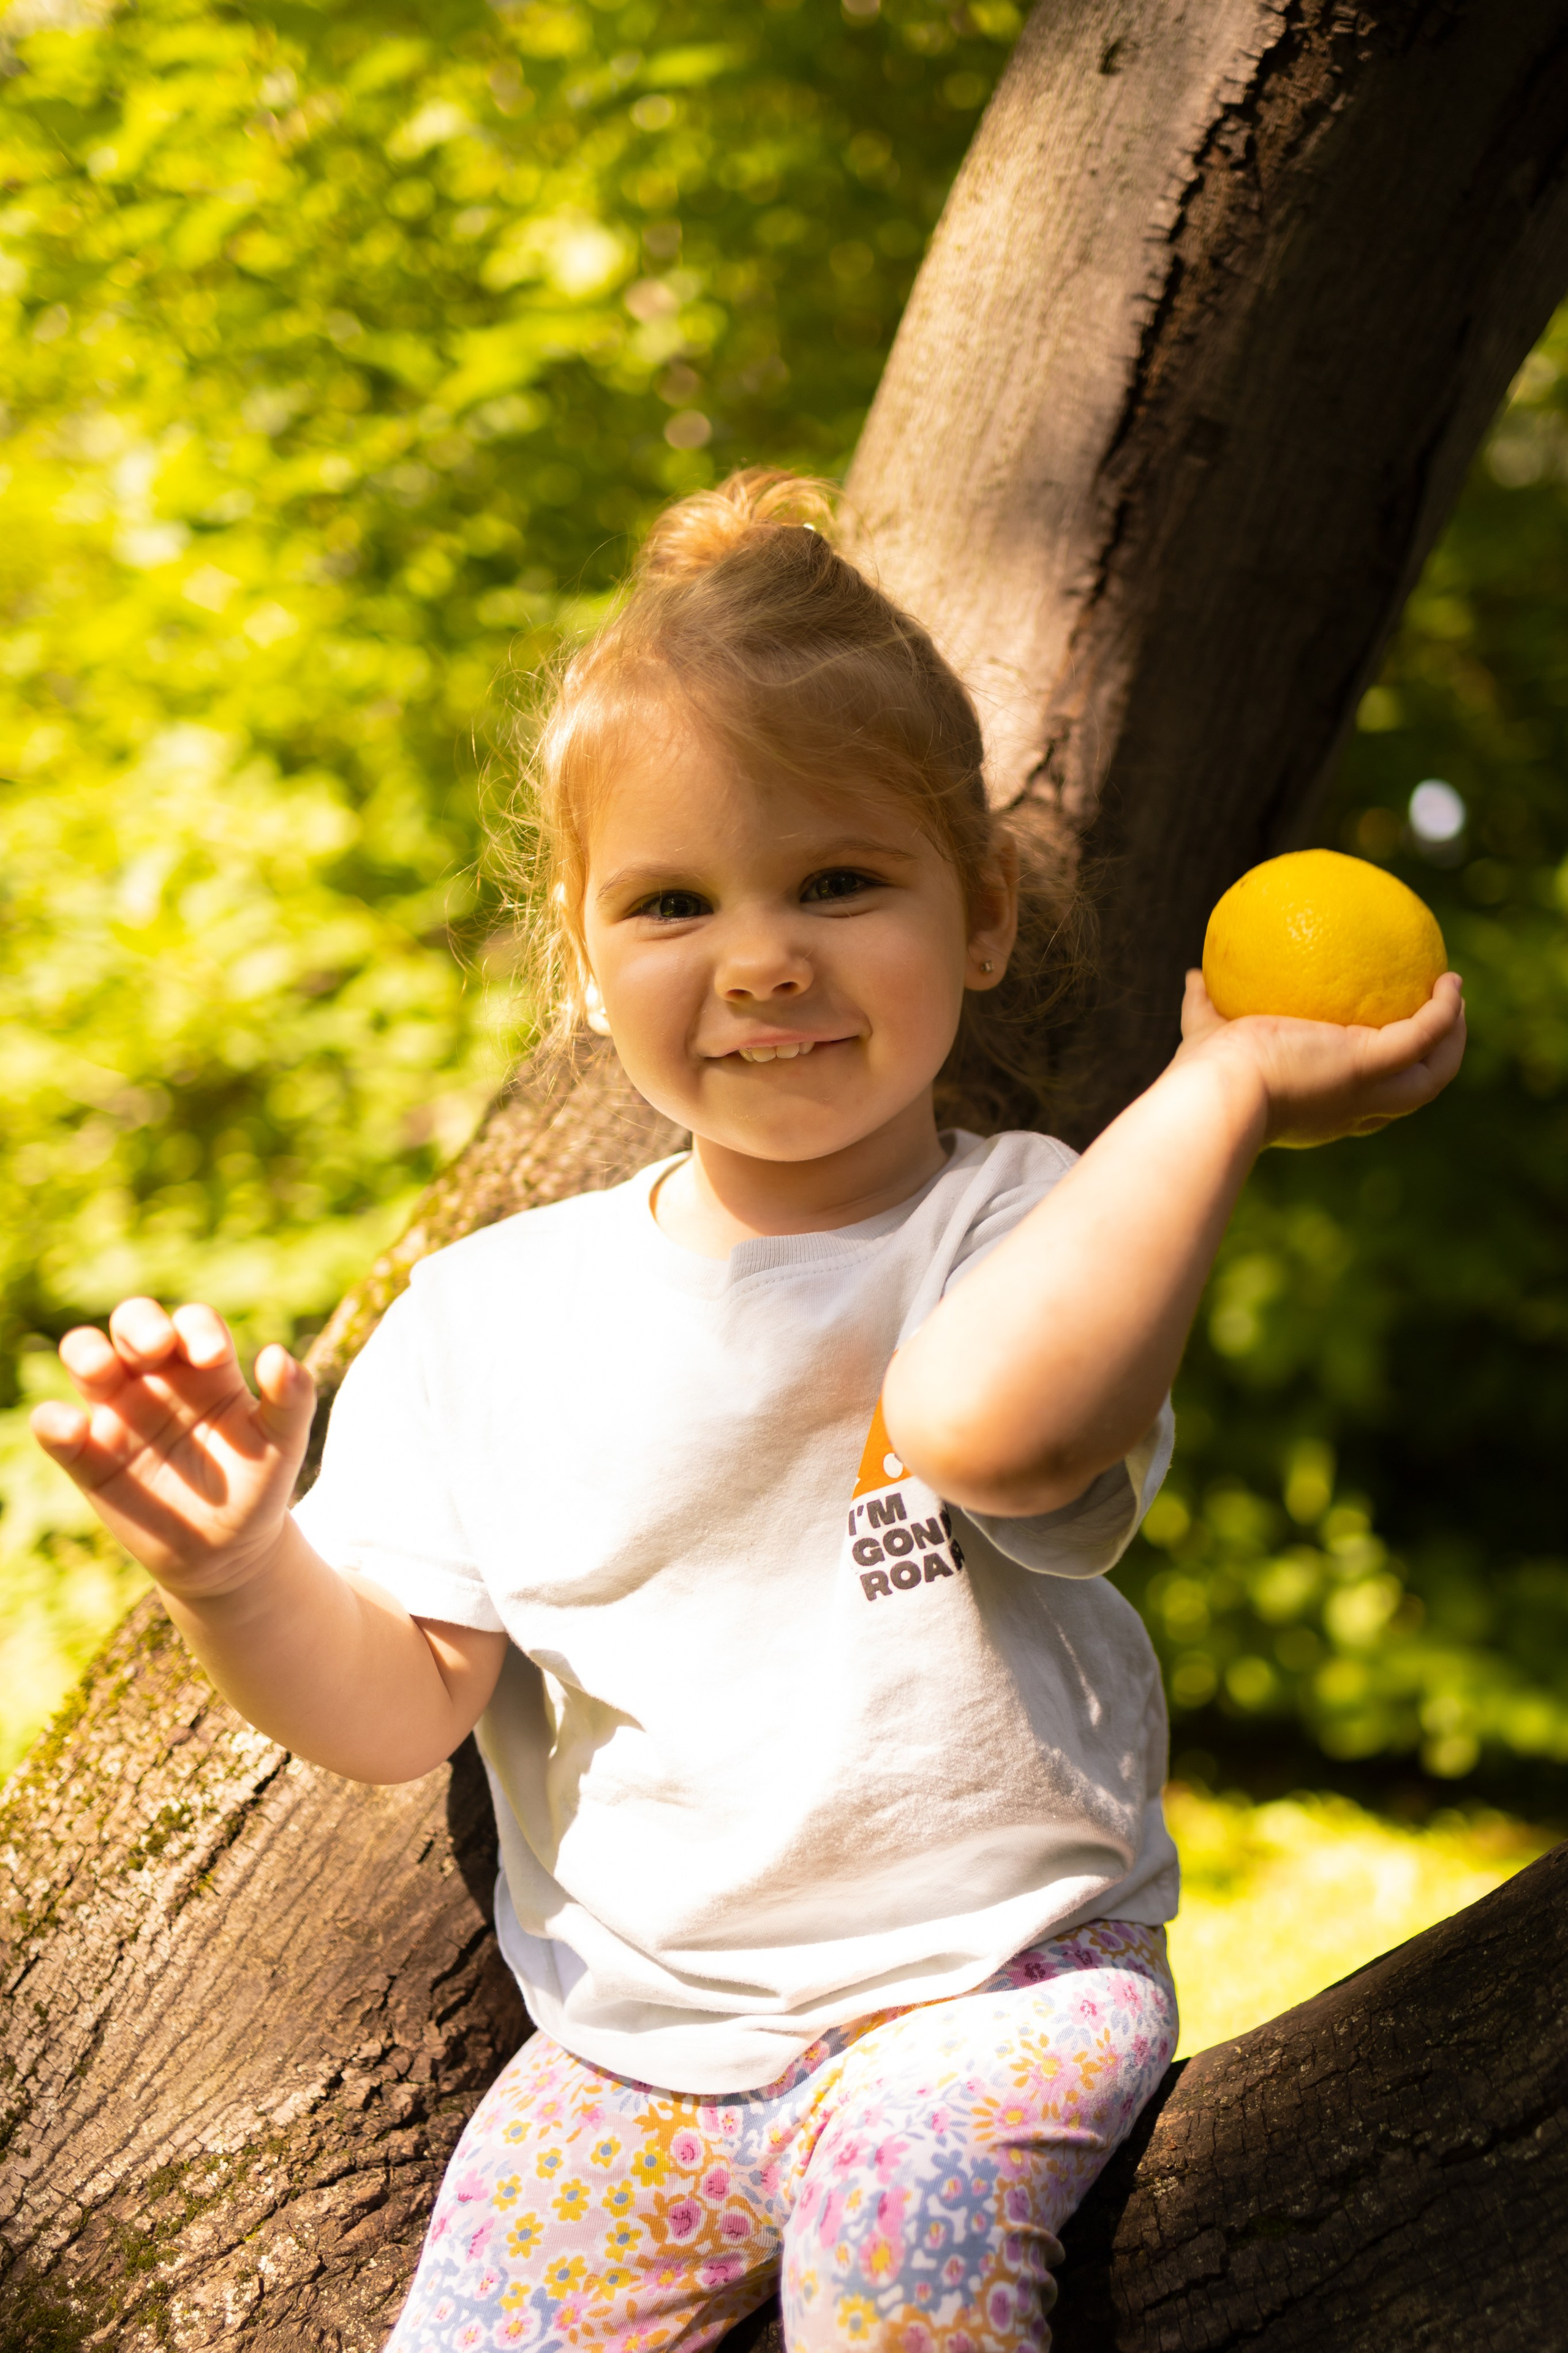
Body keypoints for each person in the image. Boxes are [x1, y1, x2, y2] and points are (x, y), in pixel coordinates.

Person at [31, 470, 1466, 2353]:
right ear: (586, 948)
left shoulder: (1030, 1219)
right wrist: (232, 1567)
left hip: (988, 1993)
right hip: (642, 2060)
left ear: (982, 915)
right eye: (676, 901)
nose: (765, 955)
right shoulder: (490, 1320)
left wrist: (1220, 1092)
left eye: (841, 880)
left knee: (898, 2256)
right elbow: (397, 1710)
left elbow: (989, 1429)